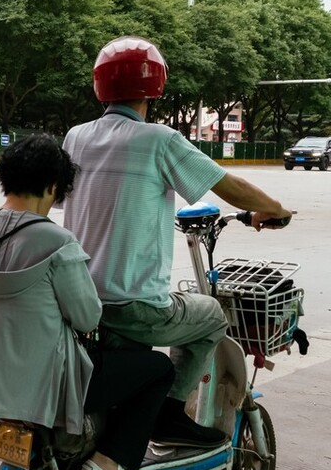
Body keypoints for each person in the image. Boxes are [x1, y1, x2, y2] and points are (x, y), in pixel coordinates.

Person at [63, 36, 292, 447]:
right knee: (210, 316)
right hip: (132, 303)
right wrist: (275, 208)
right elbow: (228, 187)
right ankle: (169, 414)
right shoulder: (159, 140)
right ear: (156, 87)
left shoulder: (76, 137)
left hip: (82, 301)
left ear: (100, 84)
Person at [0, 134, 175, 470]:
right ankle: (111, 466)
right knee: (157, 369)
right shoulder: (57, 243)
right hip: (52, 386)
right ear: (54, 186)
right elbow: (87, 317)